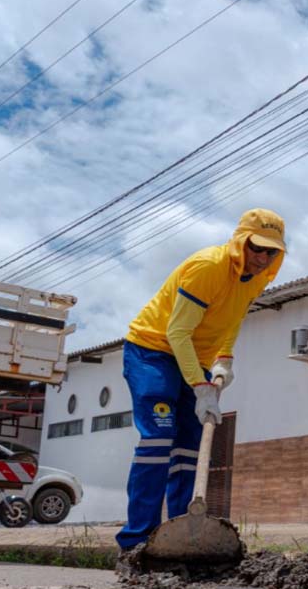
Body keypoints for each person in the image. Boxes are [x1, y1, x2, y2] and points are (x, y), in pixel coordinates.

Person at [115, 209, 285, 551]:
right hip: (153, 351)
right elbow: (177, 332)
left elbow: (232, 321)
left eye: (272, 251)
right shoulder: (209, 267)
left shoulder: (256, 278)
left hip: (195, 361)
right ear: (240, 243)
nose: (263, 257)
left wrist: (225, 359)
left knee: (189, 449)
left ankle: (180, 538)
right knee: (158, 440)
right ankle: (136, 542)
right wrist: (200, 386)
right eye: (257, 248)